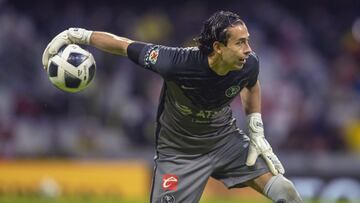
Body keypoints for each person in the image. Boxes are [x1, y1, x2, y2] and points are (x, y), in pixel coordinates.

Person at [42, 10, 303, 203]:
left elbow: (252, 85)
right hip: (179, 153)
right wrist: (78, 35)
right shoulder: (176, 62)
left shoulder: (249, 63)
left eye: (248, 40)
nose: (249, 49)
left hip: (224, 141)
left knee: (286, 192)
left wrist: (256, 129)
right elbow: (124, 46)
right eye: (240, 42)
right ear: (218, 47)